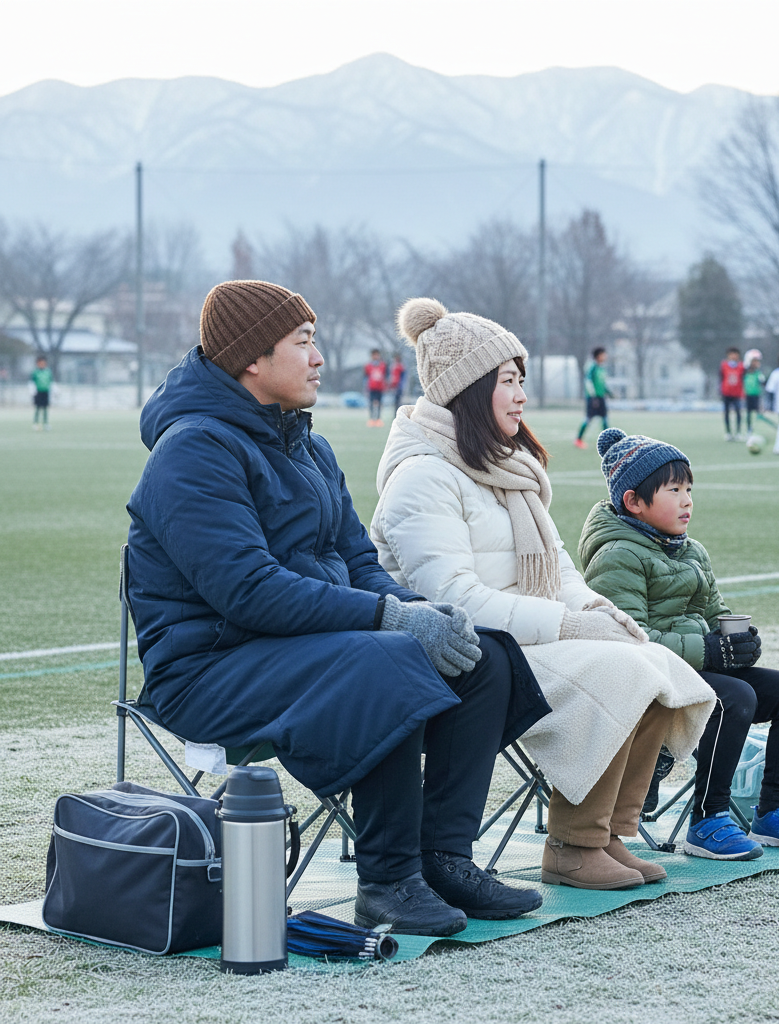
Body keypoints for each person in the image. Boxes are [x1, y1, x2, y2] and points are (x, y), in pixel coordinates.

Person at [126, 280, 550, 937]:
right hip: (209, 670)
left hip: (303, 651)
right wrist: (390, 621)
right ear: (251, 361)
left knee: (485, 654)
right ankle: (388, 882)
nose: (320, 357)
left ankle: (444, 860)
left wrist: (418, 609)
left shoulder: (309, 448)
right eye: (304, 343)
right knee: (386, 659)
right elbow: (249, 591)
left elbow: (359, 563)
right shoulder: (193, 451)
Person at [372, 298, 715, 891]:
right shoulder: (424, 474)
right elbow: (455, 601)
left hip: (525, 635)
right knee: (620, 671)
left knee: (656, 660)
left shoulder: (505, 466)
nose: (522, 394)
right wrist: (569, 625)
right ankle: (572, 846)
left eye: (521, 380)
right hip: (471, 654)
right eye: (509, 381)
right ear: (471, 388)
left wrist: (593, 610)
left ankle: (607, 832)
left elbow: (557, 565)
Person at [578, 428, 779, 860]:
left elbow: (714, 609)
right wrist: (710, 650)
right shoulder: (617, 553)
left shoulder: (689, 550)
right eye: (673, 490)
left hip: (693, 666)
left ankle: (773, 811)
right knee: (733, 696)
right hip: (649, 678)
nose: (687, 500)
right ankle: (709, 820)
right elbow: (628, 638)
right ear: (633, 502)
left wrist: (740, 642)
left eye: (689, 489)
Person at [574, 347, 610, 449]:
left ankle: (607, 441)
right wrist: (593, 397)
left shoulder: (601, 368)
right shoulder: (592, 367)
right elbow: (588, 382)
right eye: (604, 354)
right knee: (588, 418)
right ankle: (578, 440)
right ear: (598, 355)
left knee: (605, 419)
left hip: (601, 397)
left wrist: (609, 393)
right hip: (593, 398)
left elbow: (602, 384)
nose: (605, 356)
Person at [719, 347, 744, 441]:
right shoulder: (724, 365)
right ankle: (728, 433)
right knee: (726, 413)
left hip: (737, 393)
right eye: (731, 354)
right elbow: (721, 378)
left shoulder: (741, 366)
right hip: (726, 393)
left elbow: (743, 378)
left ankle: (738, 433)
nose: (733, 356)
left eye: (735, 354)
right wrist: (720, 391)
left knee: (738, 413)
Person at [742, 349, 765, 435]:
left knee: (758, 413)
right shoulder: (744, 373)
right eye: (754, 361)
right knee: (748, 413)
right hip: (747, 396)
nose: (756, 363)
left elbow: (763, 383)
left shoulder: (758, 373)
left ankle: (756, 430)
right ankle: (748, 430)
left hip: (756, 395)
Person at [364, 348, 388, 426]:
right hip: (371, 387)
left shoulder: (383, 365)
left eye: (377, 355)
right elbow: (366, 376)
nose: (375, 356)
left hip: (380, 387)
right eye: (374, 355)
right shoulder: (368, 365)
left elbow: (385, 375)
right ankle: (371, 419)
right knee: (371, 403)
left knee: (380, 404)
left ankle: (378, 419)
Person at [31, 355, 53, 431]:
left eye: (43, 363)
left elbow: (51, 382)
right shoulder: (35, 372)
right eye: (40, 363)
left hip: (45, 392)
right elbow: (31, 382)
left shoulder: (48, 371)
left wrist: (55, 391)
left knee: (45, 408)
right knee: (37, 408)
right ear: (37, 363)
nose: (42, 364)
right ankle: (35, 423)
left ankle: (46, 423)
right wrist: (32, 390)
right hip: (38, 392)